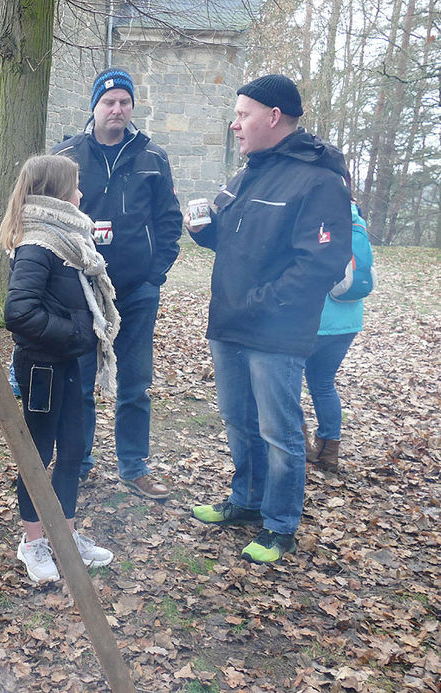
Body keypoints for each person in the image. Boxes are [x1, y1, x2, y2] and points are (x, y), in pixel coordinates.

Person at [188, 75, 351, 563]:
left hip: (276, 331)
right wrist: (205, 230)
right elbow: (238, 240)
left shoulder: (318, 180)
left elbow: (321, 262)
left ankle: (281, 524)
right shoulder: (250, 172)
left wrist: (262, 301)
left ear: (273, 116)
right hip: (231, 323)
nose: (234, 124)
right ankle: (246, 502)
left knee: (278, 431)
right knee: (238, 420)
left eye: (242, 115)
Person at [51, 67, 182, 499]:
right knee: (81, 379)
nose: (117, 109)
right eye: (109, 102)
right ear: (94, 107)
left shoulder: (152, 157)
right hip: (82, 291)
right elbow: (48, 217)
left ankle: (133, 465)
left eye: (124, 101)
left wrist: (154, 273)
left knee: (135, 382)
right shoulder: (67, 155)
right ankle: (79, 462)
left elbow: (169, 220)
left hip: (136, 291)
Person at [0, 154, 119, 583]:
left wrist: (83, 339)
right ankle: (33, 544)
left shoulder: (68, 238)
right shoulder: (37, 242)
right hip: (44, 369)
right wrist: (78, 332)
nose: (82, 194)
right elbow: (18, 312)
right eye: (75, 186)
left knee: (72, 453)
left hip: (72, 364)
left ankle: (66, 537)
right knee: (39, 456)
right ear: (56, 193)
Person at [304, 197, 373, 471]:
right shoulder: (358, 219)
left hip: (316, 318)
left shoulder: (319, 214)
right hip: (349, 319)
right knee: (323, 383)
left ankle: (300, 444)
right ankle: (329, 451)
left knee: (286, 383)